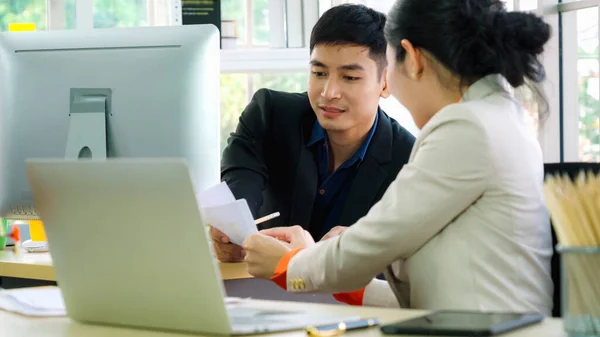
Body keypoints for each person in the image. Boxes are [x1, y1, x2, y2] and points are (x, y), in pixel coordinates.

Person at [242, 0, 554, 314]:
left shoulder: (467, 128)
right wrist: (348, 274)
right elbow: (434, 292)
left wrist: (287, 265)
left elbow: (373, 244)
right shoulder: (497, 116)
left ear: (413, 57)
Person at [214, 4, 415, 262]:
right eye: (319, 73)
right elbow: (238, 188)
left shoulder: (409, 162)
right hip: (258, 287)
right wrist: (232, 233)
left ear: (386, 82)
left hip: (346, 300)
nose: (329, 92)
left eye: (349, 77)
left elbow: (404, 263)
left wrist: (330, 255)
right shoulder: (270, 115)